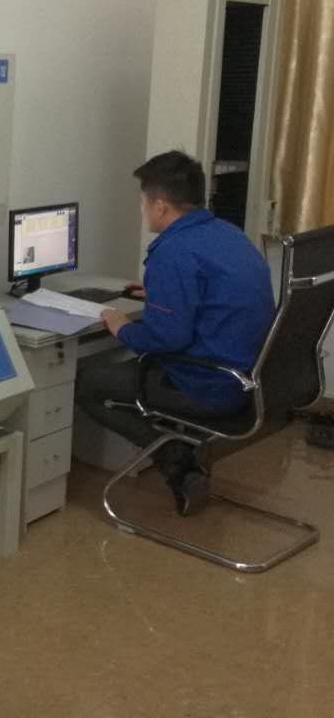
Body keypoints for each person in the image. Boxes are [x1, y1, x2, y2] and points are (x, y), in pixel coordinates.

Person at [75, 151, 274, 516]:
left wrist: (122, 327)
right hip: (251, 378)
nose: (143, 210)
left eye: (143, 202)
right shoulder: (227, 235)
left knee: (86, 383)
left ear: (160, 206)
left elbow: (167, 339)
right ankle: (182, 454)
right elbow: (215, 295)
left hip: (209, 385)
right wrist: (162, 294)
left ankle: (178, 462)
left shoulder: (173, 251)